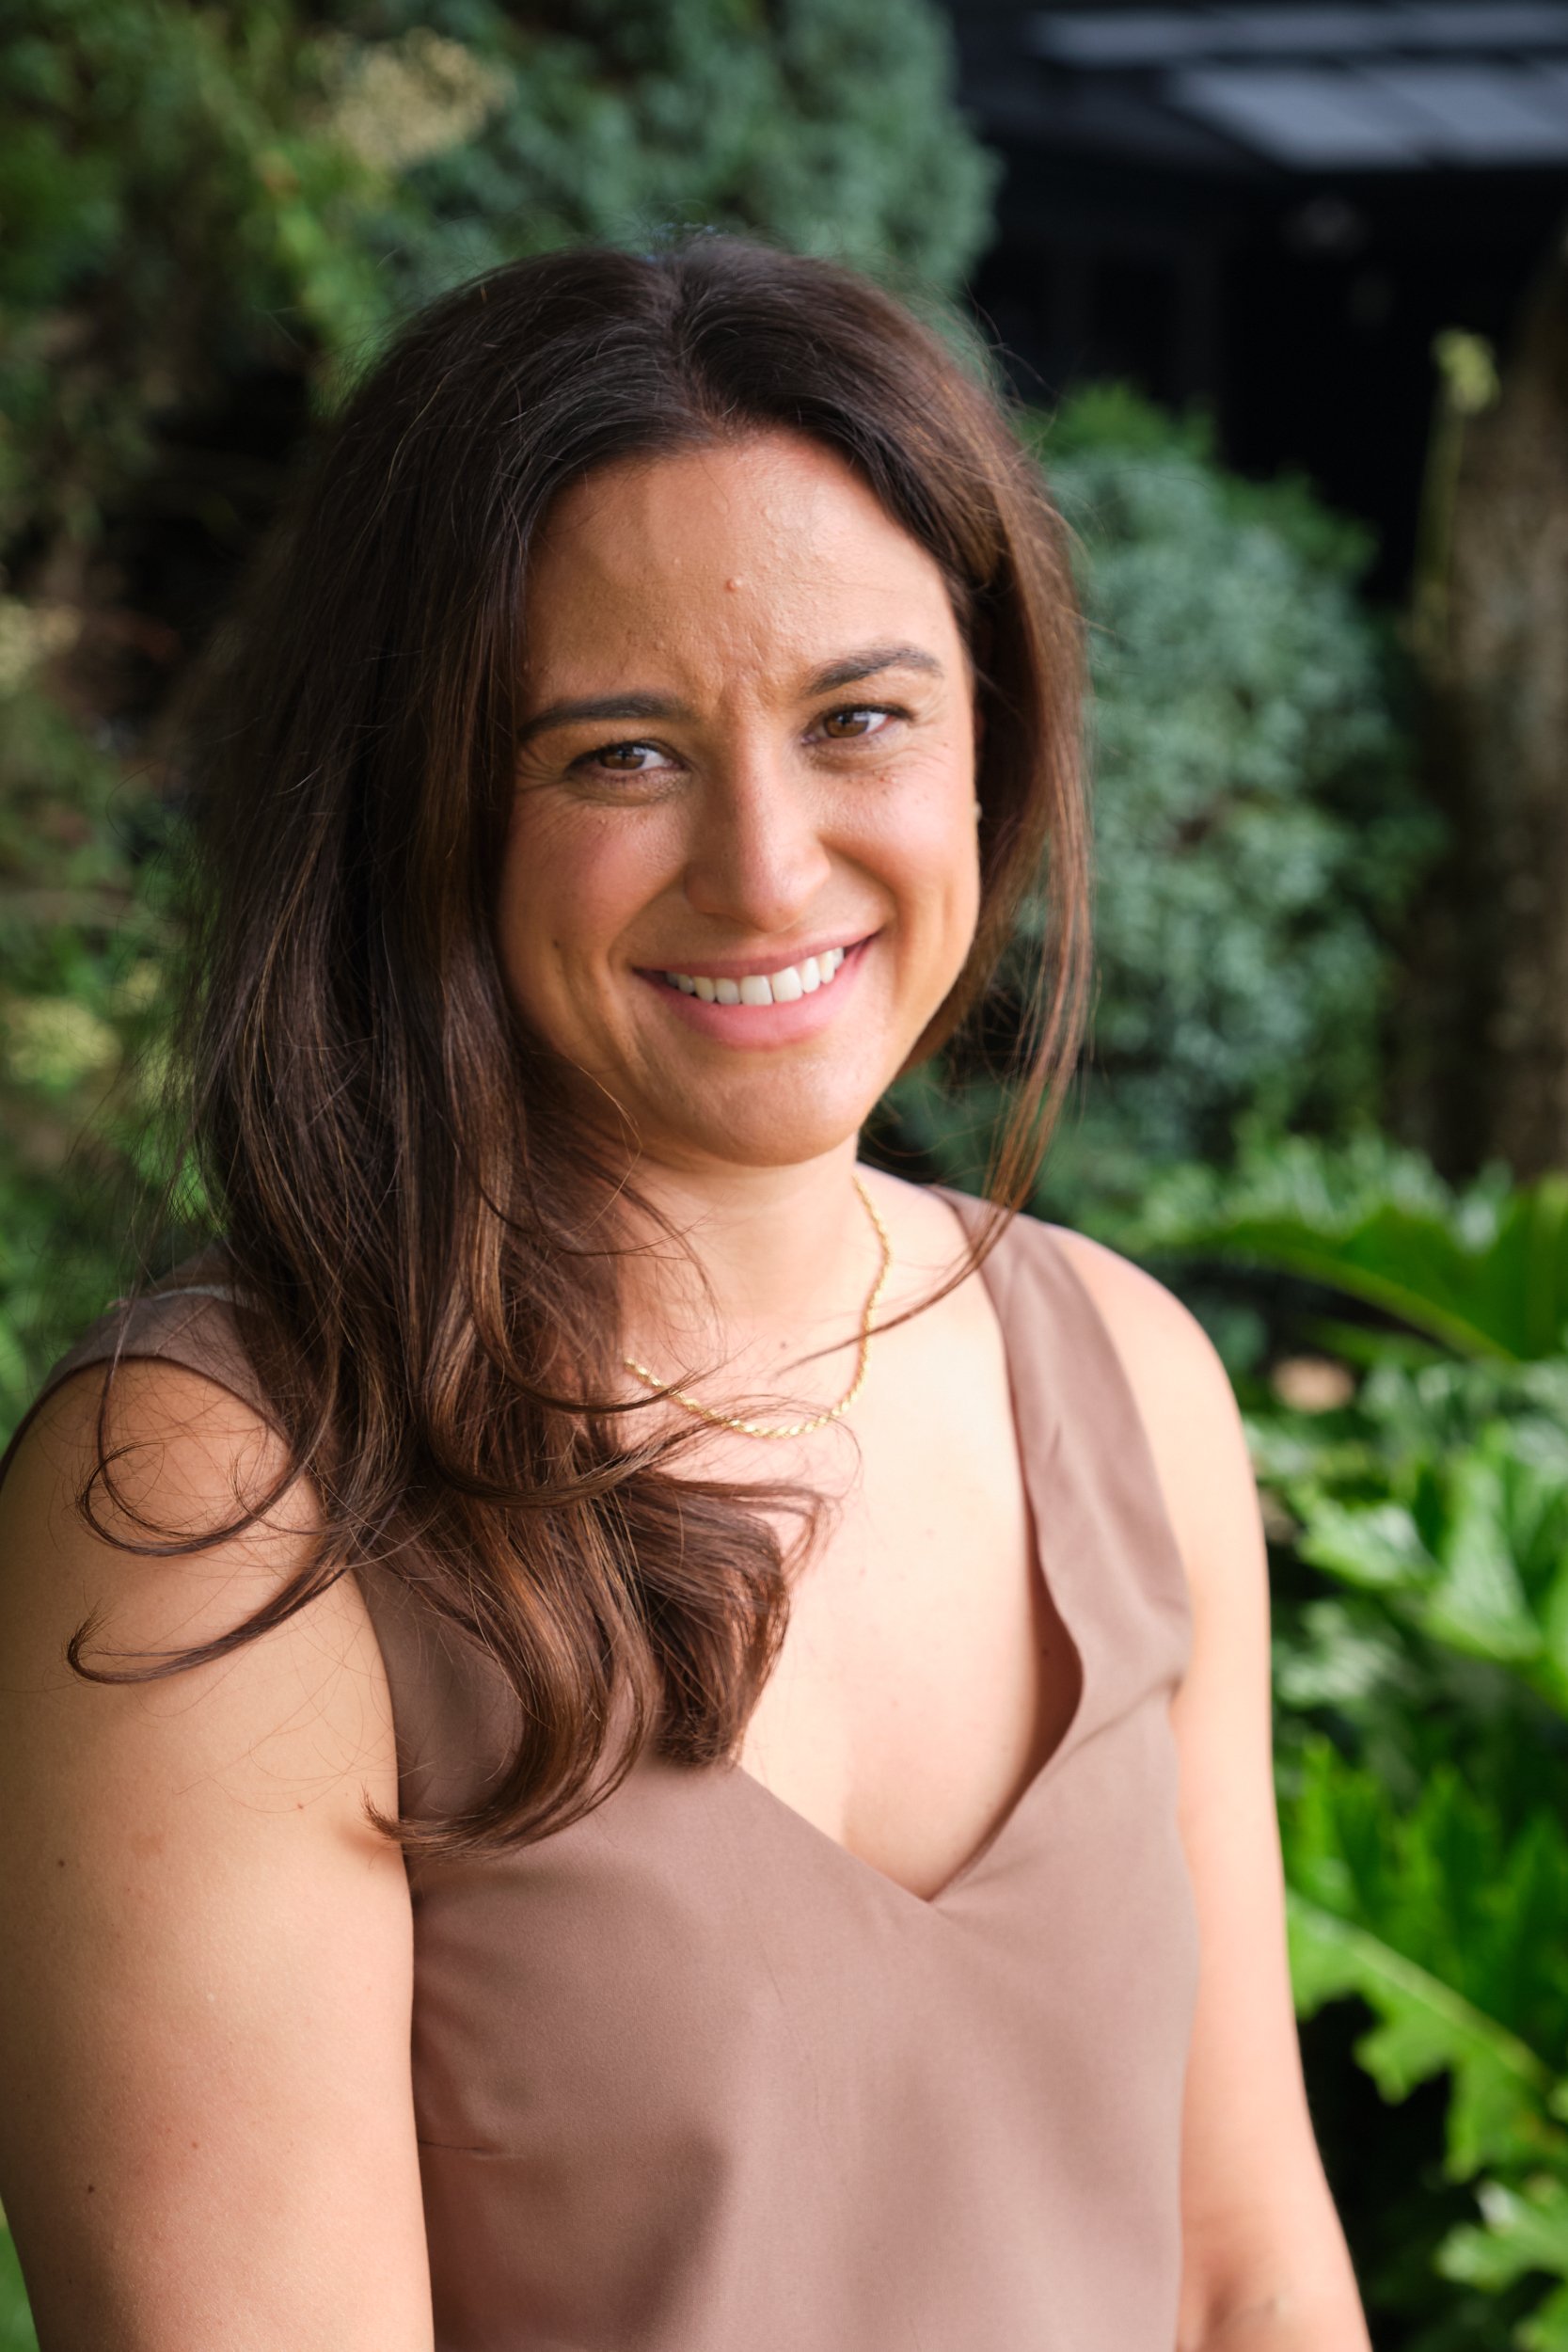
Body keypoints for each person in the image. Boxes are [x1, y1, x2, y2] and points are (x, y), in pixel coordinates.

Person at [0, 236, 1371, 2351]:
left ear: (987, 746)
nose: (767, 861)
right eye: (618, 754)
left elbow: (1245, 2272)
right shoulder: (220, 1491)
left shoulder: (1125, 1375)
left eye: (860, 718)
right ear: (421, 808)